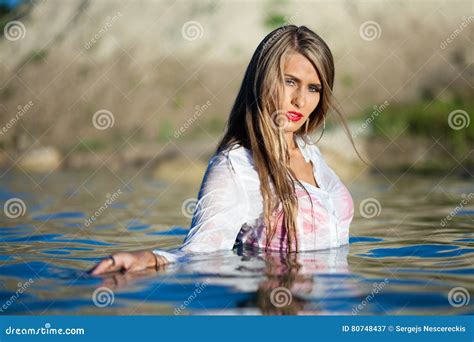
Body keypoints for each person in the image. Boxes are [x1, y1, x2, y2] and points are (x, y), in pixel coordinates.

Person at [90, 24, 360, 276]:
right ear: (263, 80)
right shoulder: (237, 167)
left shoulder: (311, 154)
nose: (300, 100)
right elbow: (201, 251)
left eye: (313, 88)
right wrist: (152, 259)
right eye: (290, 82)